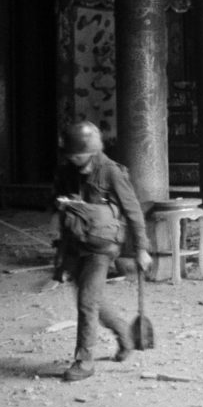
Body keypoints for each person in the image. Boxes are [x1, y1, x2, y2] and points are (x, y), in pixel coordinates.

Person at [53, 121, 152, 382]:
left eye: (79, 156)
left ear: (92, 151)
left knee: (87, 301)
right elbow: (61, 209)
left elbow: (133, 211)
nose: (74, 160)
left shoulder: (110, 172)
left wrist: (142, 249)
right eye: (71, 155)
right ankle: (125, 334)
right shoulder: (67, 170)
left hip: (102, 247)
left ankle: (84, 361)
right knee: (91, 297)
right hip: (76, 242)